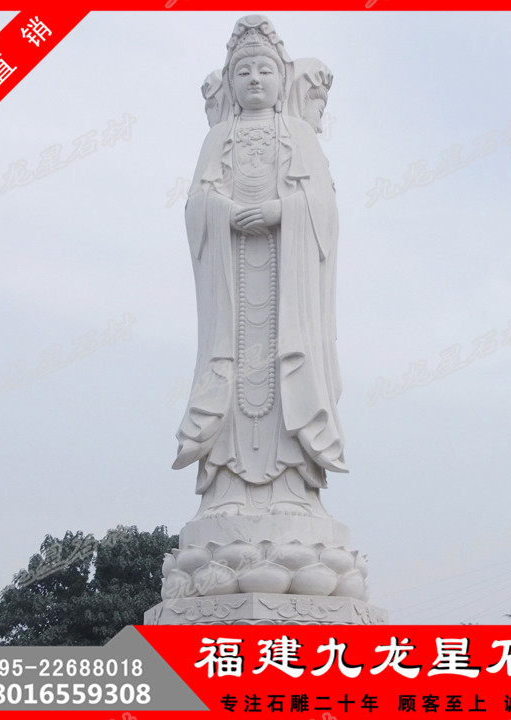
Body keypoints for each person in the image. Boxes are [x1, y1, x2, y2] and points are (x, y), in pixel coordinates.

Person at [172, 15, 346, 519]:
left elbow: (324, 207)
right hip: (231, 289)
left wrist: (281, 211)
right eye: (243, 70)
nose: (253, 79)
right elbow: (195, 206)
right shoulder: (218, 138)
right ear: (230, 81)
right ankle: (227, 490)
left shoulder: (298, 133)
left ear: (280, 78)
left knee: (287, 370)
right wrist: (220, 212)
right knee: (230, 374)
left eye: (264, 70)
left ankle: (291, 489)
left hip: (286, 284)